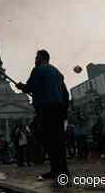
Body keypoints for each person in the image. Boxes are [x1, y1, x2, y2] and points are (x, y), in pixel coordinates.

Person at [16, 49, 70, 181]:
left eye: (36, 58)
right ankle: (62, 171)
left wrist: (21, 86)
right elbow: (65, 94)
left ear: (42, 58)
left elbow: (30, 87)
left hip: (46, 110)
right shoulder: (57, 73)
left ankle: (56, 171)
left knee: (50, 141)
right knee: (58, 141)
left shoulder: (38, 70)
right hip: (58, 109)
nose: (35, 60)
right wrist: (64, 111)